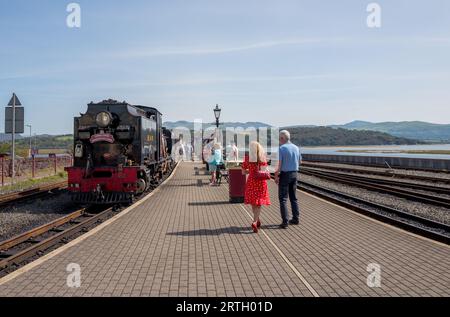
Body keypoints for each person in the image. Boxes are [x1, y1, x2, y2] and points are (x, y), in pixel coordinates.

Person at [241, 141, 271, 233]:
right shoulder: (262, 158)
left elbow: (243, 172)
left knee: (254, 202)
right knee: (258, 203)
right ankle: (255, 221)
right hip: (261, 183)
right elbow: (265, 171)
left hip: (251, 182)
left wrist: (250, 172)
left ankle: (256, 219)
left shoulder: (247, 158)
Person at [274, 130, 301, 229]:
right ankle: (296, 218)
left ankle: (285, 221)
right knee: (293, 198)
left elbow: (279, 165)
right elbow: (300, 161)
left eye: (279, 139)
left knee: (283, 199)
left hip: (285, 175)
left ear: (282, 138)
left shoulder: (281, 148)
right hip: (295, 174)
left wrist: (276, 176)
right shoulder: (296, 148)